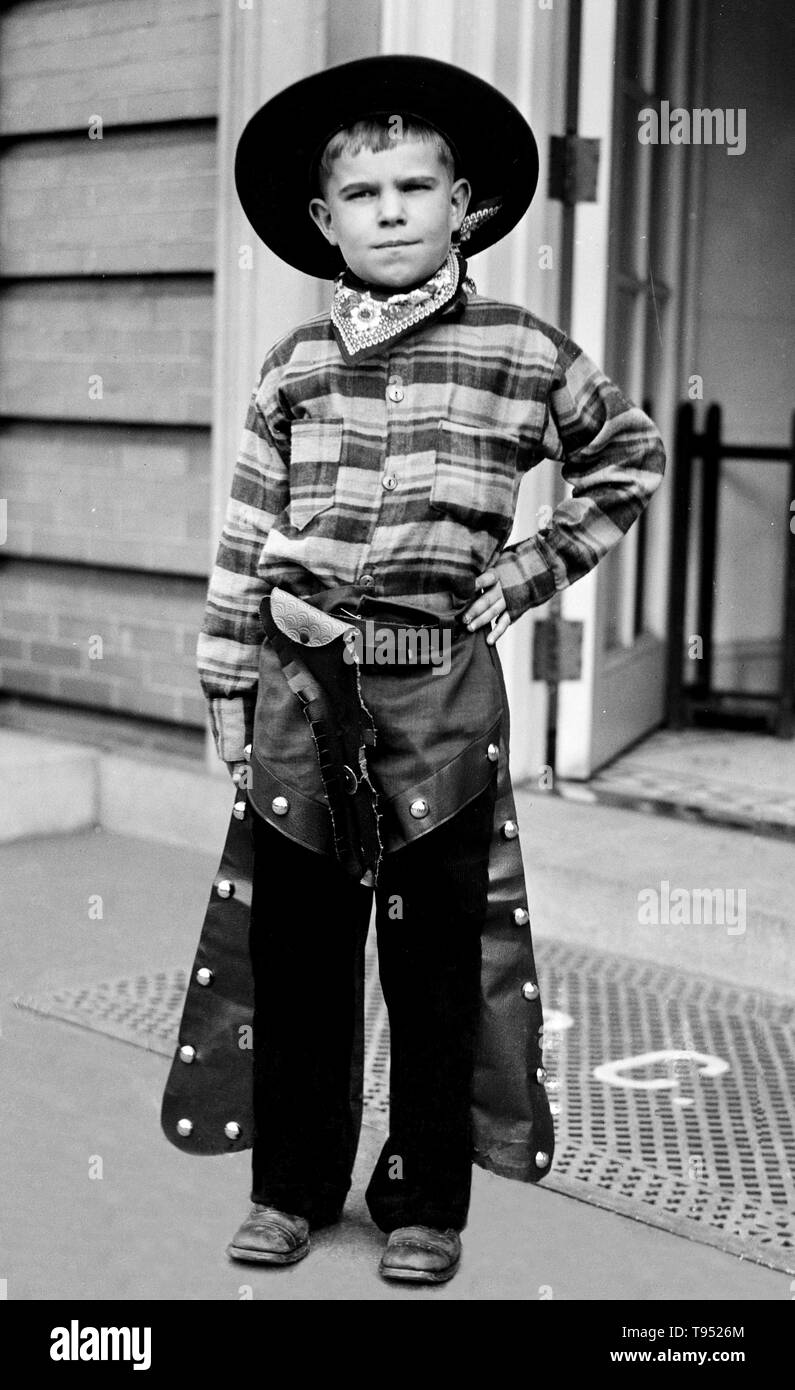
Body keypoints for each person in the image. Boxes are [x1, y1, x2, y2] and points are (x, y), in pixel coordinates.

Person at [179, 54, 666, 1285]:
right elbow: (244, 537)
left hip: (440, 705)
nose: (389, 210)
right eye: (363, 193)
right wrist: (231, 690)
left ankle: (423, 1198)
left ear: (467, 207)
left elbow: (630, 458)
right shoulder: (293, 365)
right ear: (322, 221)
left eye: (415, 187)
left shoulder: (521, 348)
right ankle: (291, 1186)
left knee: (437, 963)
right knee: (299, 960)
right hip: (302, 700)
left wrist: (534, 567)